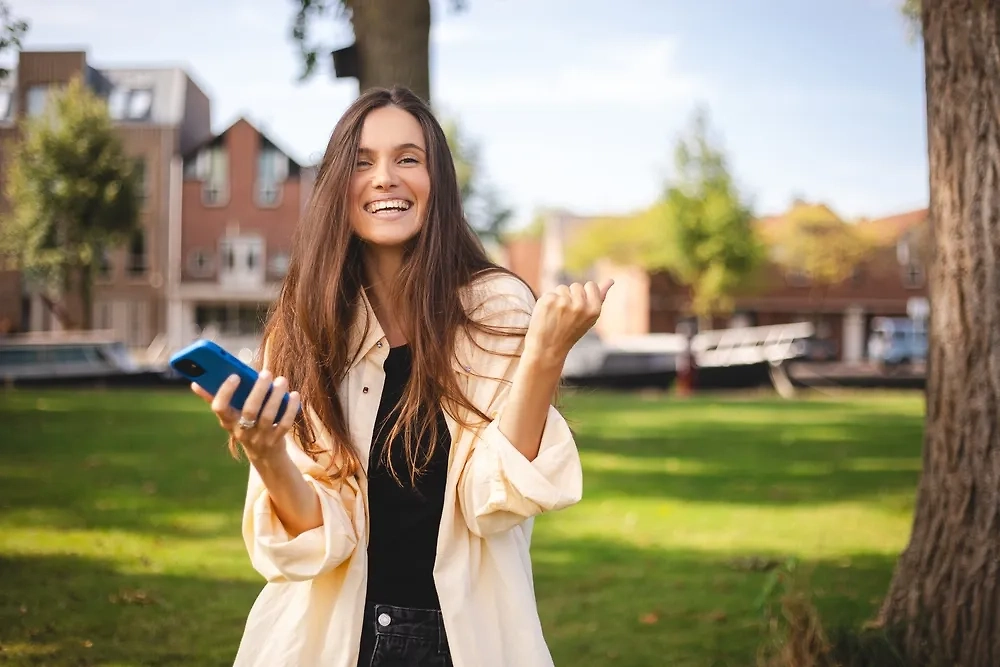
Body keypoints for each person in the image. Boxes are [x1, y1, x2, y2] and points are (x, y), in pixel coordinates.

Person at [191, 86, 613, 667]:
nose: (385, 177)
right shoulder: (302, 328)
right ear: (337, 187)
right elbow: (315, 544)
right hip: (326, 645)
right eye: (362, 162)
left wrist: (544, 356)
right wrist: (268, 456)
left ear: (437, 182)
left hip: (462, 644)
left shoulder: (493, 305)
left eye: (407, 159)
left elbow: (493, 502)